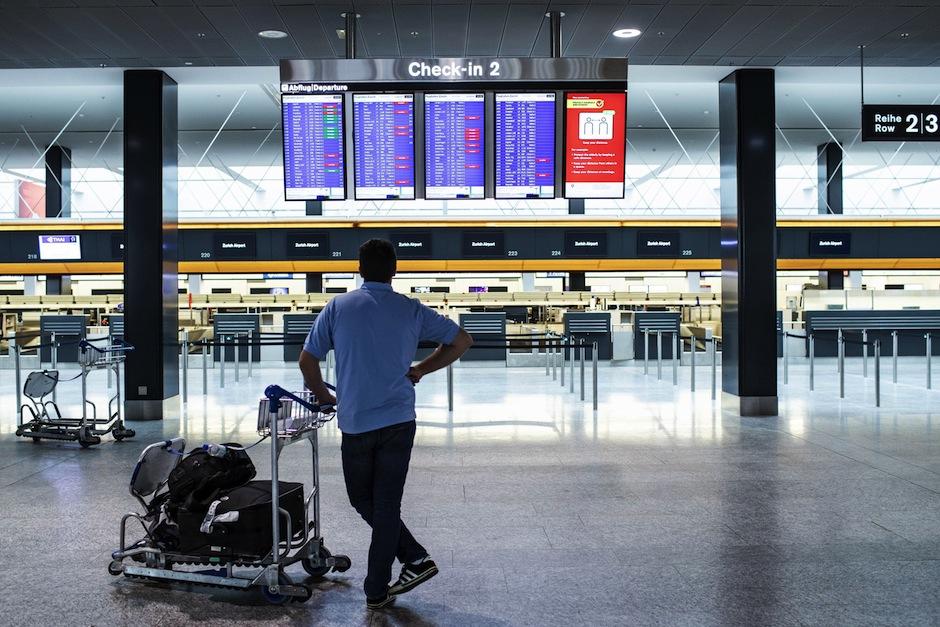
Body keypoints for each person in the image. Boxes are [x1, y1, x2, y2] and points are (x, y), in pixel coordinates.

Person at [299, 238, 473, 609]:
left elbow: (307, 361)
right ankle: (412, 559)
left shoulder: (338, 307)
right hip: (398, 420)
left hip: (357, 421)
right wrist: (421, 370)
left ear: (358, 269)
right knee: (385, 504)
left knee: (365, 500)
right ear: (395, 271)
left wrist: (325, 397)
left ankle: (379, 586)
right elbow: (461, 341)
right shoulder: (411, 309)